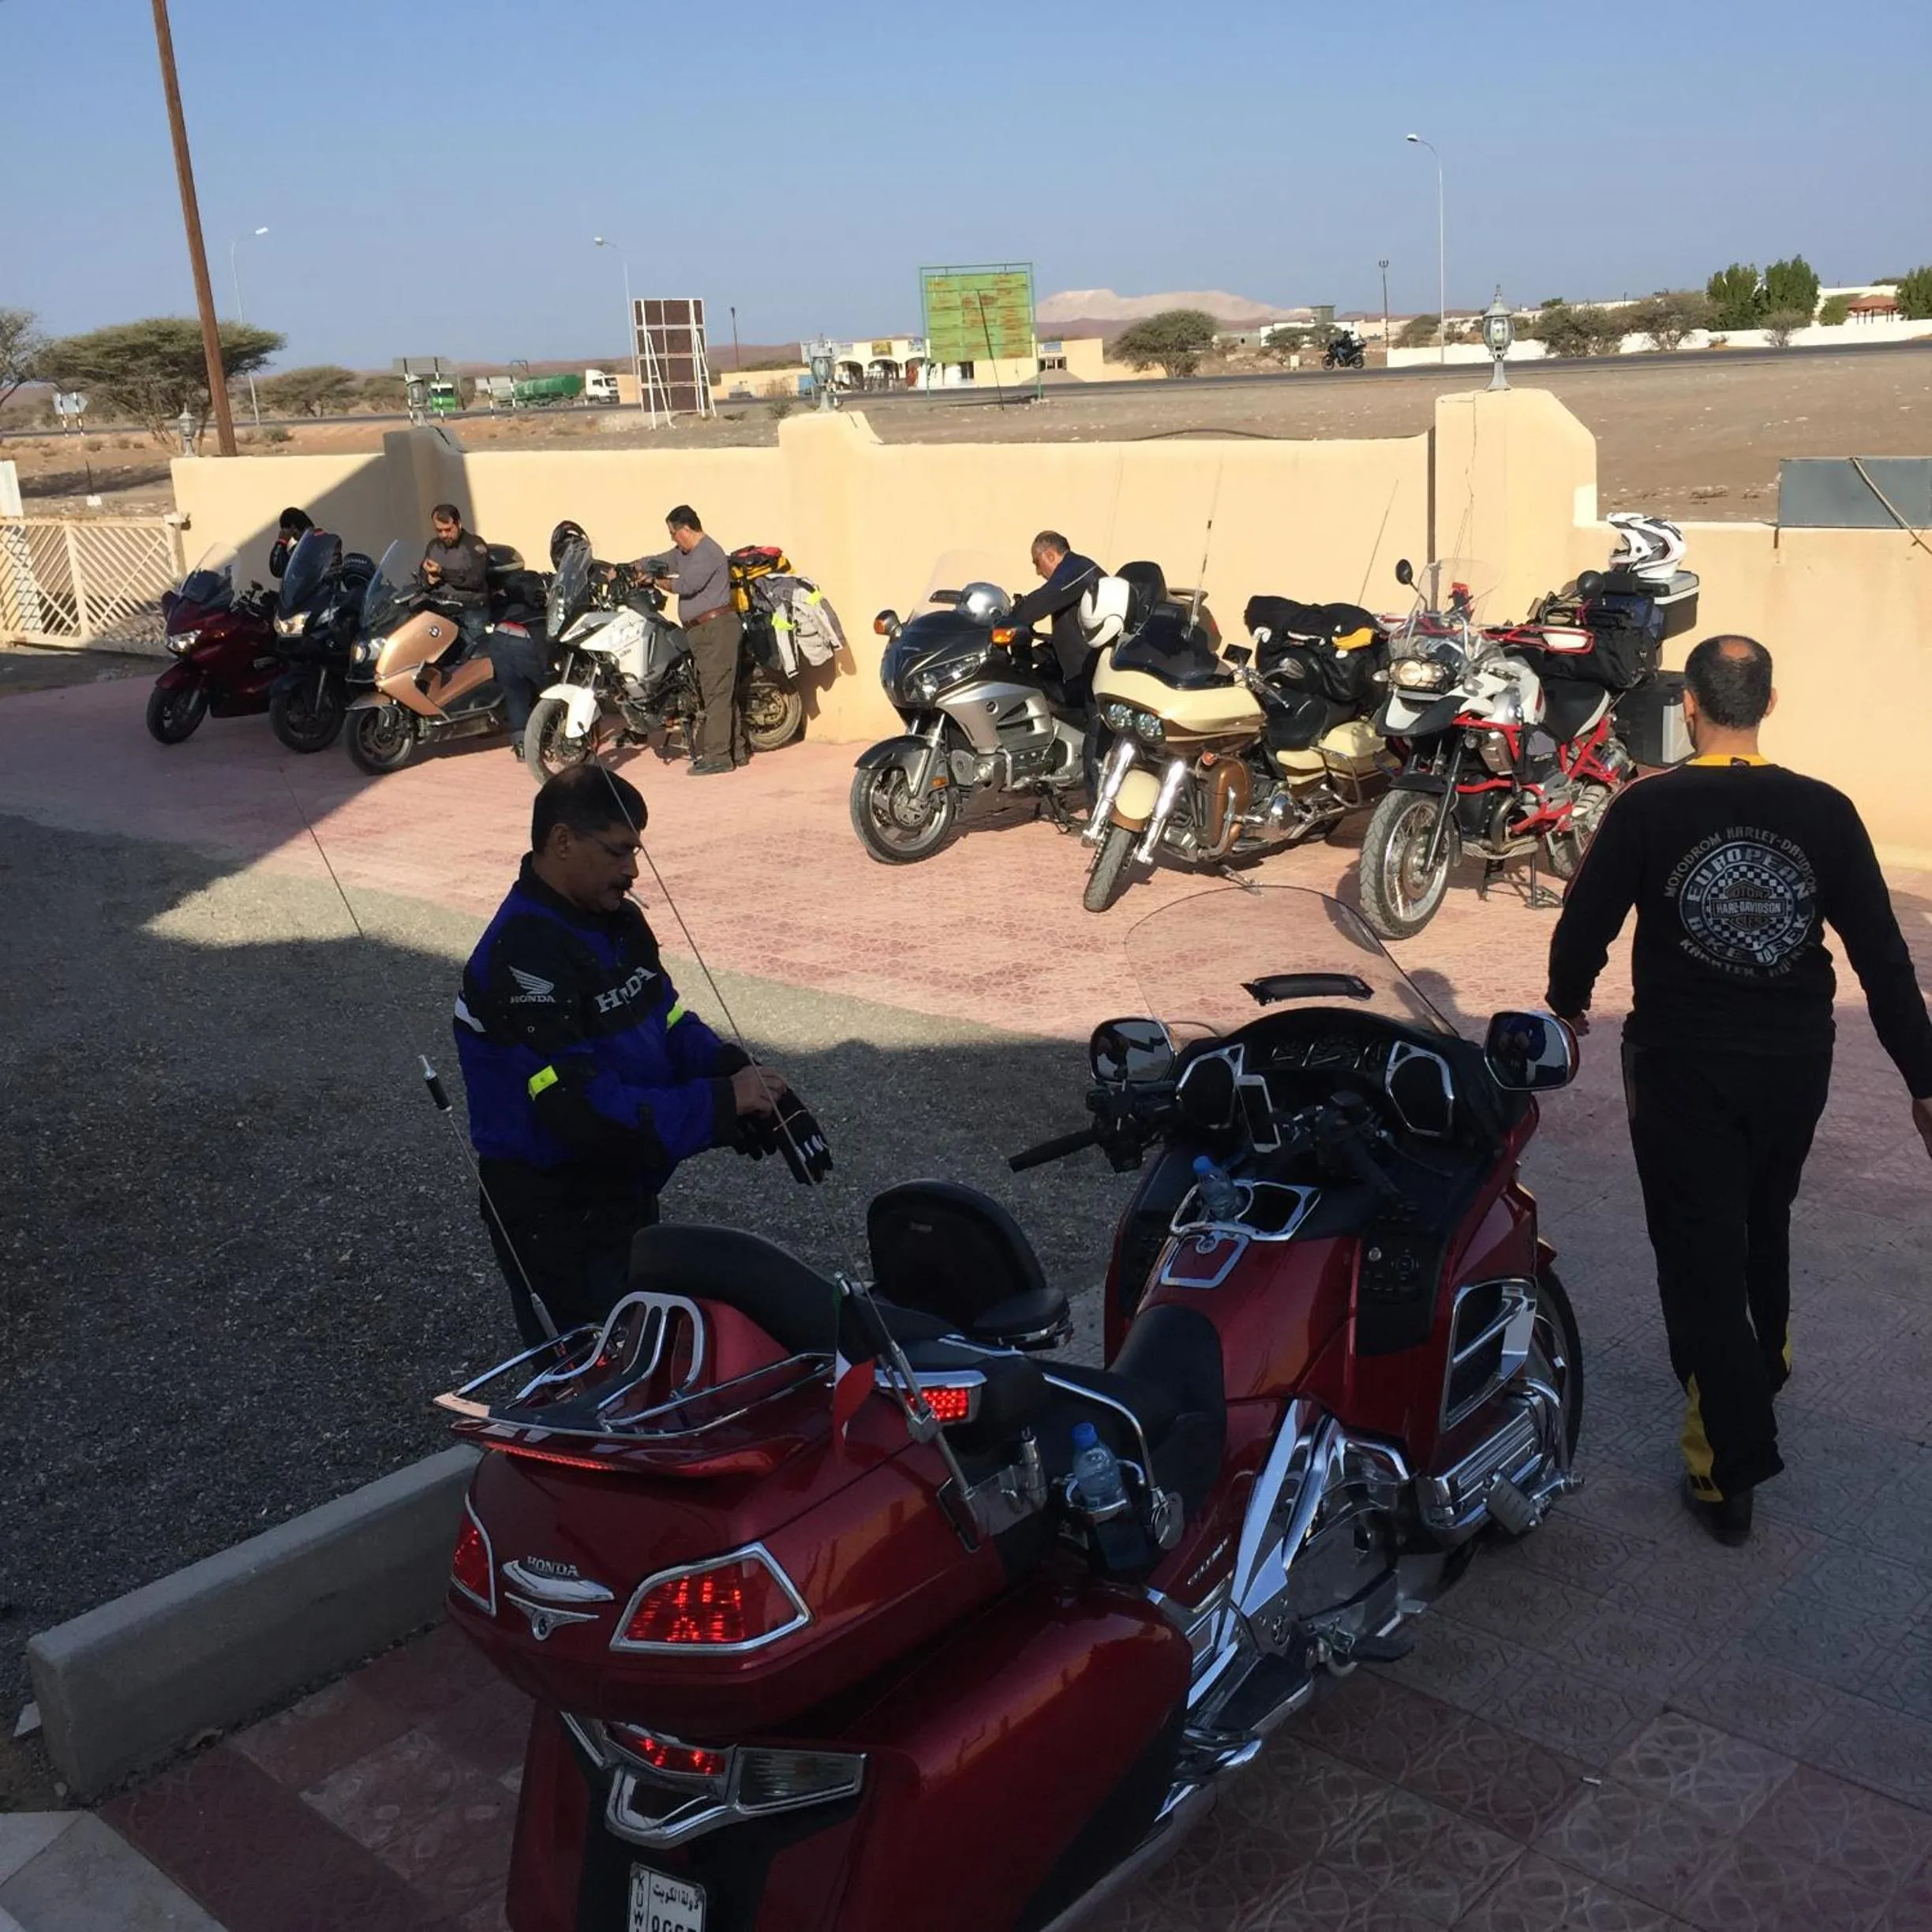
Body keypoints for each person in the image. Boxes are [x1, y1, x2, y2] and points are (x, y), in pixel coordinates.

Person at [1546, 634, 1932, 1545]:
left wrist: (1565, 1008)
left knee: (1698, 1250)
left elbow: (1584, 923)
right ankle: (1767, 1353)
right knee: (1763, 1215)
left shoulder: (1648, 807)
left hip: (1681, 1064)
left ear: (1690, 705)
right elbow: (1881, 957)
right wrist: (1925, 1082)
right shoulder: (1826, 811)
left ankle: (1728, 1467)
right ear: (1769, 701)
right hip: (1795, 1061)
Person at [454, 764, 794, 1344]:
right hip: (553, 1207)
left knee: (648, 1356)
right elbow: (582, 1111)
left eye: (636, 852)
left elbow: (663, 1018)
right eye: (617, 852)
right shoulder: (522, 957)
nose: (632, 871)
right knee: (592, 1383)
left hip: (623, 1190)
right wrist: (716, 1107)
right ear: (562, 841)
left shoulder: (618, 921)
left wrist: (735, 1073)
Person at [421, 502, 543, 754]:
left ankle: (485, 709)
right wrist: (428, 578)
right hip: (442, 609)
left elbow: (475, 579)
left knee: (475, 664)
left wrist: (442, 572)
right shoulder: (433, 547)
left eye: (447, 529)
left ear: (458, 524)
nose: (444, 535)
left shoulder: (474, 546)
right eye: (439, 530)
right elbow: (424, 573)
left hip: (472, 610)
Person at [643, 506, 744, 775]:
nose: (672, 539)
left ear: (686, 530)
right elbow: (663, 559)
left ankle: (718, 757)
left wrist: (655, 581)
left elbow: (685, 586)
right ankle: (738, 750)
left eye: (673, 533)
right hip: (700, 631)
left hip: (716, 629)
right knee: (719, 692)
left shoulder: (709, 552)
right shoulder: (684, 553)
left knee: (716, 694)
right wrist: (632, 567)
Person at [1006, 530, 1103, 700]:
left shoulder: (1077, 569)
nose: (1038, 571)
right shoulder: (1074, 571)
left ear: (1050, 555)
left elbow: (1039, 603)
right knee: (1023, 678)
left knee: (1029, 696)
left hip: (1088, 677)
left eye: (1037, 562)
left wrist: (1005, 618)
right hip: (1077, 667)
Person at [268, 507, 313, 579]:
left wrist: (281, 541)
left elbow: (277, 569)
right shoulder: (327, 540)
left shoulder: (298, 552)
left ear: (293, 527)